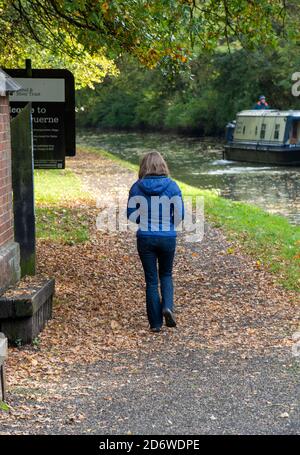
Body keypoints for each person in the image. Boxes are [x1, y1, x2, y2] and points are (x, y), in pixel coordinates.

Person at [127, 151, 184, 333]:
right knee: (166, 274)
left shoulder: (137, 187)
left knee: (151, 281)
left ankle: (155, 324)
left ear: (144, 166)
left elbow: (130, 215)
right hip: (168, 237)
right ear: (162, 166)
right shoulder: (173, 186)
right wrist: (168, 225)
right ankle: (167, 306)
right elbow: (180, 215)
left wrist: (144, 222)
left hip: (145, 238)